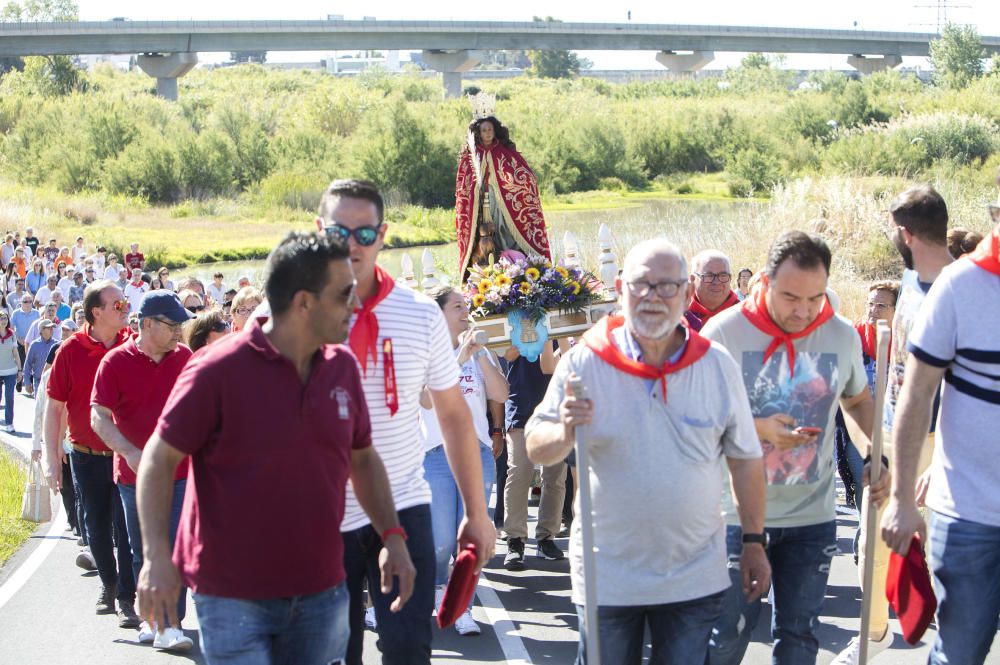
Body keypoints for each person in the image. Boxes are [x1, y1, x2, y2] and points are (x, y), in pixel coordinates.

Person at [135, 231, 414, 664]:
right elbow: (158, 457)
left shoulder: (341, 368)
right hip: (232, 594)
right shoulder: (216, 370)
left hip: (321, 588)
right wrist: (155, 558)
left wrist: (393, 537)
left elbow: (363, 457)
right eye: (344, 295)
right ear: (303, 303)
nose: (356, 306)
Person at [525, 238, 770, 665]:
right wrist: (564, 430)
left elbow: (746, 459)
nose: (653, 297)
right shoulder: (585, 363)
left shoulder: (716, 366)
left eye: (667, 287)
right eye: (642, 285)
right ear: (621, 288)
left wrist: (753, 540)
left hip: (692, 578)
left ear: (687, 294)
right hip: (609, 579)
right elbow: (535, 447)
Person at [317, 179, 495, 665]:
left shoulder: (419, 315)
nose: (352, 244)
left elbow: (455, 416)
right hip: (321, 514)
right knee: (334, 651)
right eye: (338, 232)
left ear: (384, 234)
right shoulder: (291, 312)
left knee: (408, 649)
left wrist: (476, 514)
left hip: (403, 504)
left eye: (365, 233)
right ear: (319, 231)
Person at [702, 231, 889, 665]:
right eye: (790, 298)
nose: (804, 311)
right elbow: (693, 417)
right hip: (734, 519)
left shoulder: (839, 335)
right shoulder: (724, 333)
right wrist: (755, 428)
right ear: (765, 282)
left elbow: (857, 400)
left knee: (800, 639)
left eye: (815, 298)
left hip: (813, 517)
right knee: (726, 638)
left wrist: (873, 452)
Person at [831, 185, 954, 664]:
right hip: (890, 427)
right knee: (872, 537)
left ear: (905, 232)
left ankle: (946, 642)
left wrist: (942, 454)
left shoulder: (954, 288)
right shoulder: (909, 280)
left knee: (939, 544)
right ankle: (874, 632)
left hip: (933, 438)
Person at [881, 218, 1000, 665]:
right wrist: (901, 498)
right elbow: (915, 396)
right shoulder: (960, 286)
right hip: (970, 516)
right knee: (961, 654)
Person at [90, 291, 195, 653]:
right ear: (146, 324)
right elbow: (98, 417)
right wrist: (130, 451)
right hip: (133, 475)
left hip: (180, 472)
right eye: (171, 325)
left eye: (181, 324)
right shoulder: (115, 362)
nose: (179, 331)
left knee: (172, 550)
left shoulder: (184, 357)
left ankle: (170, 624)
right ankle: (152, 620)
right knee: (142, 551)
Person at [44, 280, 136, 627]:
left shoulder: (133, 344)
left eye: (125, 302)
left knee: (126, 528)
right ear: (96, 312)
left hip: (125, 455)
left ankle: (127, 597)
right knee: (95, 527)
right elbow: (54, 409)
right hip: (84, 455)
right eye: (117, 304)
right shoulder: (70, 350)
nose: (125, 307)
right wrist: (53, 459)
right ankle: (109, 584)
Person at [421, 285, 508, 636]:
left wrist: (482, 354)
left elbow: (501, 393)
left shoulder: (479, 352)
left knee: (471, 540)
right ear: (438, 313)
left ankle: (462, 608)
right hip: (437, 455)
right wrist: (458, 356)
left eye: (466, 305)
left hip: (476, 453)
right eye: (457, 306)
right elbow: (426, 401)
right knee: (441, 539)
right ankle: (441, 589)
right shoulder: (426, 352)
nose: (465, 311)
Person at [455, 94, 551, 280]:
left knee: (506, 232)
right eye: (484, 130)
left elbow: (525, 176)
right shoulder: (470, 157)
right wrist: (478, 188)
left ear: (495, 130)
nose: (488, 133)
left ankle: (516, 265)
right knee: (485, 239)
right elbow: (463, 189)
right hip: (480, 206)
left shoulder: (505, 152)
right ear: (478, 132)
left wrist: (508, 187)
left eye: (490, 129)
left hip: (505, 205)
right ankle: (489, 272)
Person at [502, 340, 568, 569]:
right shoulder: (517, 318)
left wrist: (551, 336)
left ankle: (546, 537)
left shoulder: (562, 323)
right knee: (519, 472)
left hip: (555, 409)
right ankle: (515, 538)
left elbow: (554, 364)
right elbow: (508, 355)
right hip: (520, 404)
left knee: (555, 477)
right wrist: (527, 335)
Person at [684, 249, 740, 331]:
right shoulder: (679, 318)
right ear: (693, 279)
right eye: (709, 275)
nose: (716, 282)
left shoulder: (744, 315)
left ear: (730, 278)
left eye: (723, 275)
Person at [0, 310, 23, 432]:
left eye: (5, 318)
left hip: (10, 371)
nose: (3, 321)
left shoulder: (12, 334)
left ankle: (9, 423)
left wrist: (19, 370)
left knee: (9, 396)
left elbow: (16, 353)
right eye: (1, 318)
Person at [24, 318, 58, 396]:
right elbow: (28, 364)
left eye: (52, 328)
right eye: (49, 328)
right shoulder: (34, 345)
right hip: (38, 380)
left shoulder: (57, 344)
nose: (51, 330)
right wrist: (27, 382)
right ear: (41, 330)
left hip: (53, 381)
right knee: (39, 406)